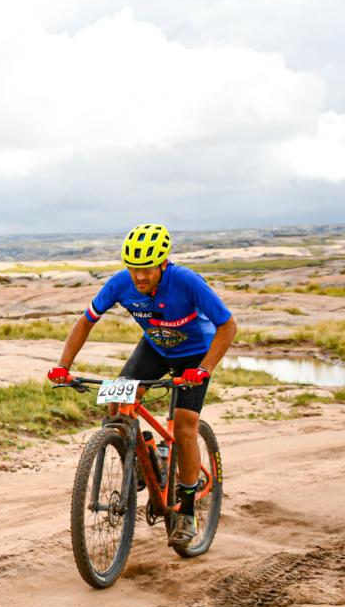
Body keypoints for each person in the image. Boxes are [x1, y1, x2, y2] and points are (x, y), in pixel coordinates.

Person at [47, 223, 237, 544]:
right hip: (155, 348)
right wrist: (62, 366)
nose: (139, 276)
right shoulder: (120, 284)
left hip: (194, 354)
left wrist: (204, 369)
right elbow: (86, 321)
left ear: (163, 264)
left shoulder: (187, 281)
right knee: (117, 401)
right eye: (133, 268)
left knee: (184, 426)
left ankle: (187, 510)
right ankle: (140, 461)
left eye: (147, 268)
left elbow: (228, 326)